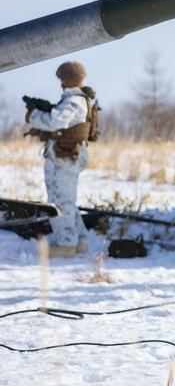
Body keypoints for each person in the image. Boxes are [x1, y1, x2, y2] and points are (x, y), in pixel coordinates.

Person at [25, 61, 99, 258]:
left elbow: (53, 122)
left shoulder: (74, 101)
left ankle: (66, 244)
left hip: (63, 158)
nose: (61, 84)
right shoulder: (80, 100)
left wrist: (34, 114)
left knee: (59, 203)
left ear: (70, 80)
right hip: (68, 156)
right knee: (68, 202)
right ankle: (80, 241)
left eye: (63, 79)